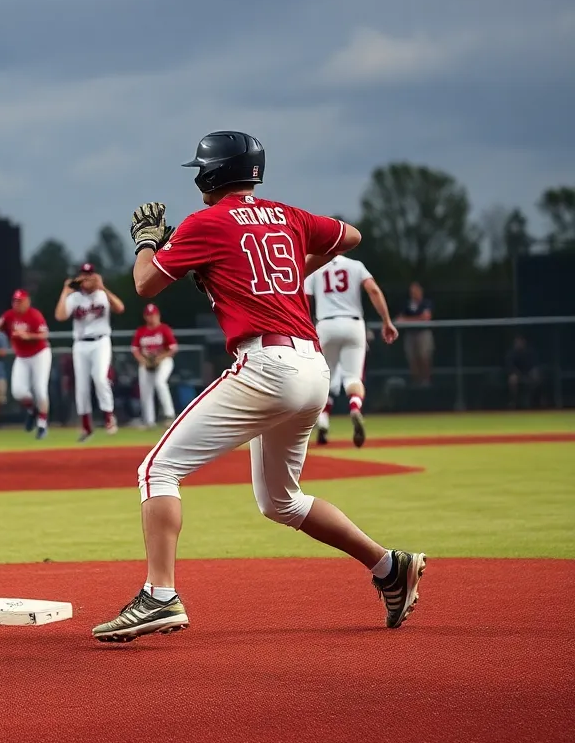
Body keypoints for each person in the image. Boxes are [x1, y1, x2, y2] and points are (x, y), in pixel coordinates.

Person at [92, 130, 425, 644]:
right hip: (312, 369)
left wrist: (146, 241)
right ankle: (388, 567)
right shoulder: (286, 214)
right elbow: (351, 237)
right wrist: (291, 270)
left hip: (267, 364)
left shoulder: (208, 221)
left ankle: (159, 596)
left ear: (212, 174)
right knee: (281, 501)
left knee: (157, 469)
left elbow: (144, 284)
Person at [304, 256, 398, 447]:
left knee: (324, 378)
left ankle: (323, 422)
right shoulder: (356, 265)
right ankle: (355, 407)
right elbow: (373, 289)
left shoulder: (314, 265)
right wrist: (387, 321)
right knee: (353, 378)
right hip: (353, 324)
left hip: (326, 324)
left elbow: (303, 298)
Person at [55, 262, 124, 441]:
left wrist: (103, 287)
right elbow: (60, 316)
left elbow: (120, 308)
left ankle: (109, 416)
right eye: (83, 275)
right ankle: (86, 426)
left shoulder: (102, 294)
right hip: (80, 344)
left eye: (90, 274)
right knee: (82, 386)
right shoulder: (74, 298)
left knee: (100, 377)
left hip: (101, 341)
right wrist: (65, 291)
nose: (86, 278)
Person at [0, 290, 51, 439]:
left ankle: (42, 425)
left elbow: (44, 335)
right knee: (18, 392)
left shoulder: (34, 315)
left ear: (27, 301)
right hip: (22, 356)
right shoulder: (10, 315)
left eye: (20, 301)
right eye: (15, 301)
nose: (17, 304)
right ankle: (32, 410)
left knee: (40, 389)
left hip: (39, 354)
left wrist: (28, 336)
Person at [131, 304, 178, 427]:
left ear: (158, 315)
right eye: (148, 315)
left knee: (160, 382)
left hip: (164, 360)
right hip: (146, 362)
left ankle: (169, 415)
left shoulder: (164, 329)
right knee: (145, 390)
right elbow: (135, 349)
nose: (151, 318)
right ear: (145, 317)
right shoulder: (141, 331)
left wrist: (160, 358)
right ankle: (149, 421)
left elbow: (173, 348)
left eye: (153, 315)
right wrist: (143, 360)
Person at [396, 283, 434, 387]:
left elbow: (425, 318)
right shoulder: (408, 304)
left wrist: (407, 320)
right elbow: (399, 319)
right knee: (412, 358)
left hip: (423, 334)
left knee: (424, 356)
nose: (413, 294)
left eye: (416, 291)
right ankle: (416, 382)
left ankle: (426, 381)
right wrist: (409, 321)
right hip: (410, 334)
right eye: (412, 292)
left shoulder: (426, 303)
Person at [506, 335, 541, 408]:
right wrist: (517, 373)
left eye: (520, 341)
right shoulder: (511, 354)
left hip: (528, 374)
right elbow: (510, 366)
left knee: (536, 375)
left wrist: (531, 373)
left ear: (524, 342)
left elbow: (534, 365)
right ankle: (513, 401)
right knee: (513, 379)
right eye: (516, 342)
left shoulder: (530, 352)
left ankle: (533, 400)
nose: (518, 344)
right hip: (516, 375)